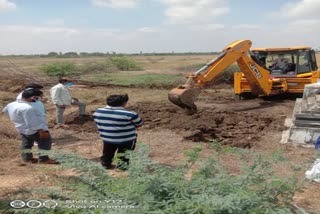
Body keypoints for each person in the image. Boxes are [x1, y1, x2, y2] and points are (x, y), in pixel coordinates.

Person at [2, 89, 57, 164]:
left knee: (26, 144)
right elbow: (32, 122)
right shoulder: (27, 108)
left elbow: (5, 111)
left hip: (21, 129)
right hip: (34, 130)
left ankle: (27, 159)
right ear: (33, 97)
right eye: (37, 98)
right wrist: (41, 131)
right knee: (45, 143)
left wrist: (17, 119)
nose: (38, 100)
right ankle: (44, 159)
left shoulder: (11, 104)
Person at [93, 94, 143, 170]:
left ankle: (106, 164)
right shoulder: (130, 114)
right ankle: (122, 167)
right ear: (123, 103)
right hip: (126, 139)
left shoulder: (98, 111)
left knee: (108, 153)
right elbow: (139, 124)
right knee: (124, 154)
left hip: (107, 138)